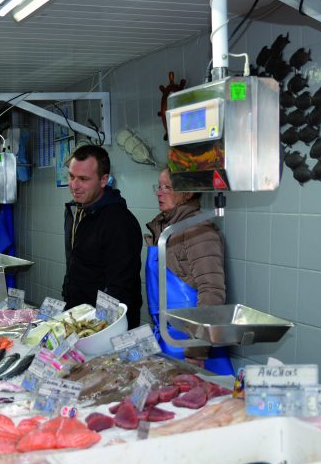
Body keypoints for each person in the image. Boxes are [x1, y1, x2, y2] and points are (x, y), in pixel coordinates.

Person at [145, 169, 234, 375]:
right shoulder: (166, 230)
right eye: (159, 187)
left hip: (193, 349)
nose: (160, 193)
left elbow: (212, 293)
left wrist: (198, 348)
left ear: (188, 193)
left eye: (168, 187)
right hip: (169, 341)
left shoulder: (200, 232)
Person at [62, 144, 142, 329]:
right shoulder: (76, 211)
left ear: (104, 180)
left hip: (107, 326)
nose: (74, 185)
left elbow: (120, 286)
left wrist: (96, 328)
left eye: (83, 179)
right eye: (71, 176)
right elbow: (76, 264)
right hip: (77, 317)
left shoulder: (120, 222)